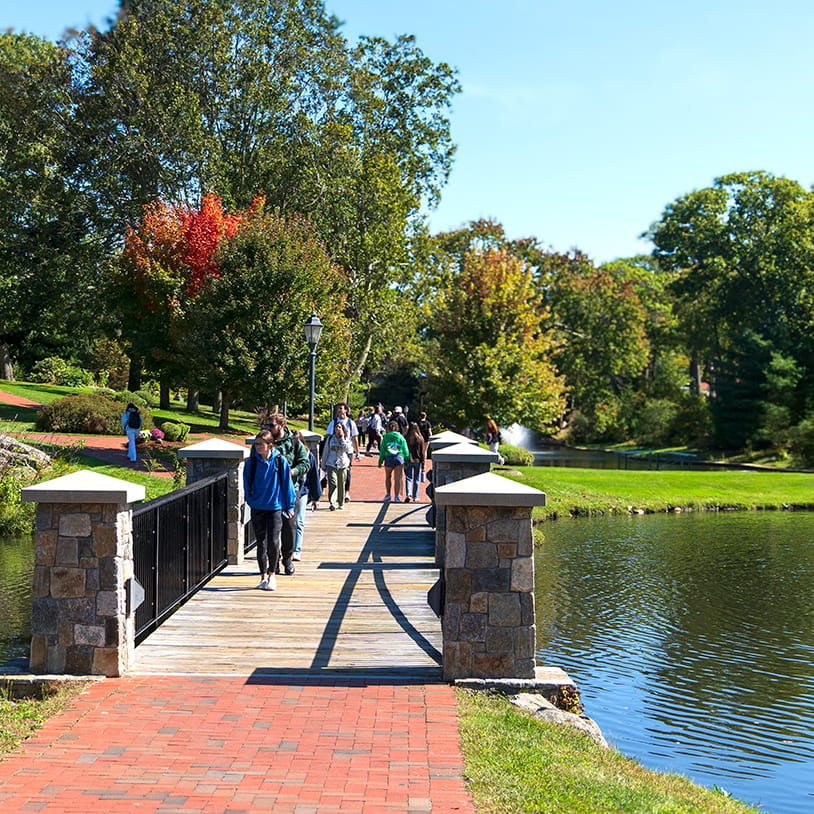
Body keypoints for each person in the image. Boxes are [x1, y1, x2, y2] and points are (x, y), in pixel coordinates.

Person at [243, 430, 297, 591]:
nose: (257, 447)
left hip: (275, 507)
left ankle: (272, 575)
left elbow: (287, 485)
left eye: (261, 444)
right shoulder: (251, 463)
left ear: (270, 445)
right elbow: (247, 484)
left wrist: (290, 506)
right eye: (256, 444)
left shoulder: (280, 461)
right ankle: (263, 576)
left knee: (273, 542)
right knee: (261, 543)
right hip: (258, 507)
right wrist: (251, 501)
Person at [263, 412, 310, 575]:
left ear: (281, 426)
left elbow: (305, 463)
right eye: (267, 425)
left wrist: (293, 471)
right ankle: (273, 561)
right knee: (271, 528)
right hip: (269, 491)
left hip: (290, 490)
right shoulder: (266, 440)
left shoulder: (294, 442)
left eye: (272, 425)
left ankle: (287, 558)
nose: (268, 428)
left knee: (290, 526)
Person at [292, 430, 322, 560]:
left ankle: (297, 549)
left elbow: (314, 477)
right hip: (288, 491)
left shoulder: (309, 456)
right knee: (286, 522)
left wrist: (316, 498)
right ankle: (286, 548)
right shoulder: (286, 456)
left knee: (299, 521)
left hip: (303, 491)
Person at [325, 403, 361, 500]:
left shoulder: (350, 423)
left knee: (347, 471)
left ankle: (346, 492)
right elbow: (328, 436)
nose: (340, 410)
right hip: (335, 450)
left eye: (341, 408)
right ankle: (335, 494)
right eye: (338, 409)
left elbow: (354, 438)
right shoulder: (334, 422)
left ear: (346, 410)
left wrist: (357, 451)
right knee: (333, 472)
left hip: (347, 450)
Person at [321, 422, 354, 509]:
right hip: (331, 463)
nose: (338, 429)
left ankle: (341, 502)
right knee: (332, 482)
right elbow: (325, 452)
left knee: (341, 483)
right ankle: (332, 502)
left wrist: (342, 438)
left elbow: (348, 449)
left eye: (340, 427)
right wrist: (323, 464)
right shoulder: (330, 439)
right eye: (336, 427)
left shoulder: (346, 439)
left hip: (342, 464)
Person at [378, 419, 409, 502]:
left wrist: (380, 461)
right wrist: (406, 460)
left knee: (388, 477)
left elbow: (382, 450)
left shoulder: (386, 437)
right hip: (399, 458)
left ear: (388, 428)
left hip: (389, 458)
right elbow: (405, 450)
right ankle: (396, 497)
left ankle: (388, 494)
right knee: (397, 478)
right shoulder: (400, 437)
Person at [404, 421, 426, 503]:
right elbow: (422, 453)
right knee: (416, 479)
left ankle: (408, 494)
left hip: (408, 460)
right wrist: (423, 464)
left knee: (408, 478)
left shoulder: (406, 438)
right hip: (417, 460)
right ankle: (415, 496)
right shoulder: (420, 439)